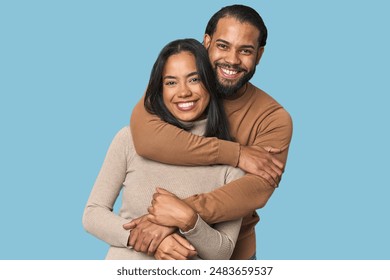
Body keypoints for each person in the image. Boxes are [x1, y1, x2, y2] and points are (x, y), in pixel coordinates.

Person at [125, 4, 293, 260]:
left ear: (259, 55)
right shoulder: (182, 87)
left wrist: (180, 214)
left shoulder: (273, 118)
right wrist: (236, 154)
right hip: (157, 249)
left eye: (245, 51)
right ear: (207, 42)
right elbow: (145, 136)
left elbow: (256, 188)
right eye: (223, 46)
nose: (232, 60)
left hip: (230, 254)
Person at [82, 38, 245, 260]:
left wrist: (189, 221)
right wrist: (150, 241)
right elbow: (93, 214)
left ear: (210, 83)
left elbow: (223, 252)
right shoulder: (130, 139)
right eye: (171, 82)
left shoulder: (232, 162)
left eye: (194, 79)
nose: (183, 92)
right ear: (159, 89)